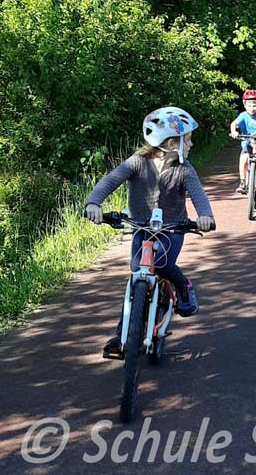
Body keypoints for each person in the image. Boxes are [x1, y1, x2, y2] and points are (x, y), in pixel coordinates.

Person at [84, 107, 215, 353]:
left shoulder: (184, 169)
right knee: (136, 273)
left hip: (173, 228)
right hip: (141, 226)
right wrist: (94, 202)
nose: (191, 144)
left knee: (163, 263)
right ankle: (123, 335)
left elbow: (198, 194)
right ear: (170, 143)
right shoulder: (137, 162)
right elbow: (111, 180)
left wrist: (205, 216)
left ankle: (183, 286)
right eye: (187, 140)